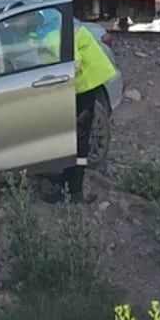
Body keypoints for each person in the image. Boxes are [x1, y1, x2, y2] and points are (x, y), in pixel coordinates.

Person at [43, 21, 118, 204]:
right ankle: (69, 177)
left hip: (86, 83)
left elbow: (73, 63)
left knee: (80, 138)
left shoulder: (51, 38)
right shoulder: (50, 27)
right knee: (75, 135)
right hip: (83, 83)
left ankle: (75, 189)